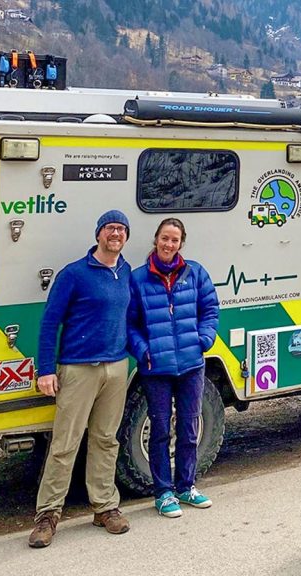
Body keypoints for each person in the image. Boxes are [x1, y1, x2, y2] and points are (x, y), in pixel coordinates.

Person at [28, 210, 133, 548]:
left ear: (126, 237)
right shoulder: (73, 274)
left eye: (120, 229)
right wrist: (46, 369)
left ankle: (104, 507)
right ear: (98, 234)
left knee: (106, 439)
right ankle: (47, 516)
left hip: (116, 368)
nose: (115, 234)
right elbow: (49, 323)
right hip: (77, 369)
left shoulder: (126, 271)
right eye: (109, 229)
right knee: (65, 443)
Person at [127, 217, 219, 518]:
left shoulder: (195, 273)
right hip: (156, 369)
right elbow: (129, 324)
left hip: (191, 365)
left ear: (181, 244)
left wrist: (204, 339)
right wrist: (144, 351)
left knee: (189, 428)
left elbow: (210, 309)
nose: (169, 244)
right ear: (156, 240)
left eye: (174, 240)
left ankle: (186, 487)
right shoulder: (138, 278)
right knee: (159, 432)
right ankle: (163, 492)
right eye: (164, 238)